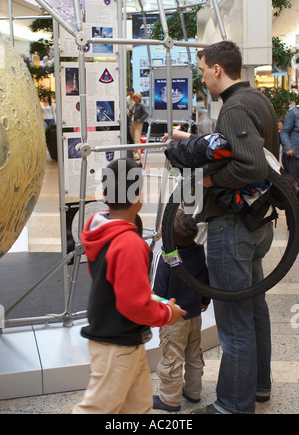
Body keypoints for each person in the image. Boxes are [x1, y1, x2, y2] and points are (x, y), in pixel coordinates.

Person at [163, 40, 280, 414]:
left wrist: (205, 182)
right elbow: (238, 151)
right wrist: (193, 142)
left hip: (233, 227)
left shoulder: (233, 107)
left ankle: (233, 403)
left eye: (202, 70)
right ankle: (259, 387)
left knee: (234, 320)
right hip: (259, 221)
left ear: (217, 70)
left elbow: (250, 167)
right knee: (254, 306)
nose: (201, 78)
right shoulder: (257, 99)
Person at [72, 158, 186, 414]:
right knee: (96, 409)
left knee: (139, 407)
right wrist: (167, 314)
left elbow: (118, 284)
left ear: (105, 194)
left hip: (122, 339)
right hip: (117, 345)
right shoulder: (131, 244)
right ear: (138, 196)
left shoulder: (98, 228)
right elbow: (132, 304)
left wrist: (153, 300)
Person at [152, 209, 210, 412]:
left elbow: (157, 291)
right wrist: (205, 300)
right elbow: (204, 277)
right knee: (194, 354)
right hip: (195, 314)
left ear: (166, 233)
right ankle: (194, 392)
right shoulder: (198, 250)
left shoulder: (166, 256)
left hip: (173, 319)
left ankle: (169, 399)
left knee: (172, 357)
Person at [280, 104, 299, 179]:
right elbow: (284, 132)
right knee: (293, 183)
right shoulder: (293, 112)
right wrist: (288, 147)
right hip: (293, 156)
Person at [129, 93, 149, 163]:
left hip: (137, 124)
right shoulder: (134, 105)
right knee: (134, 139)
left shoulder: (141, 105)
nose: (135, 99)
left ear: (138, 98)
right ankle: (137, 155)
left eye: (136, 98)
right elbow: (131, 112)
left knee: (136, 139)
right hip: (132, 123)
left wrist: (140, 120)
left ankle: (137, 155)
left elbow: (146, 113)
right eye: (134, 98)